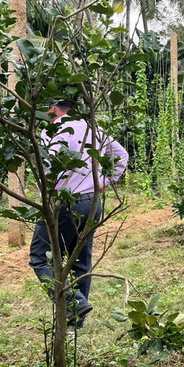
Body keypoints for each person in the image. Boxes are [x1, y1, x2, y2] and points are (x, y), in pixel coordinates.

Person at [29, 100, 129, 328]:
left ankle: (74, 303)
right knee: (81, 263)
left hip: (65, 202)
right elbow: (121, 154)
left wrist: (43, 189)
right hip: (92, 202)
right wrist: (105, 180)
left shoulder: (52, 130)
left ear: (53, 110)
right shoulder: (94, 129)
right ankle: (75, 324)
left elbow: (48, 167)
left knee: (39, 258)